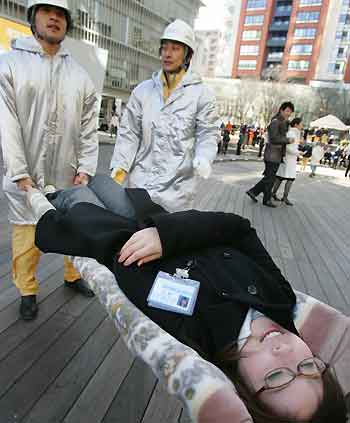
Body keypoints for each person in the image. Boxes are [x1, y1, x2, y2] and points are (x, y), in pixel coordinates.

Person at [26, 177, 347, 423]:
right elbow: (239, 229)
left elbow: (135, 276)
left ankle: (60, 190)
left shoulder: (198, 336)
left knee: (76, 196)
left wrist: (165, 242)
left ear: (245, 390)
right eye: (308, 365)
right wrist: (167, 236)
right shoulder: (280, 298)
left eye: (276, 377)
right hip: (157, 222)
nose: (284, 352)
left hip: (113, 234)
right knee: (101, 182)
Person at [0, 0, 98, 320]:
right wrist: (19, 172)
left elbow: (88, 126)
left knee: (74, 228)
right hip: (25, 176)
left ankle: (73, 275)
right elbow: (7, 122)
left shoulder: (80, 75)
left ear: (67, 23)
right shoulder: (9, 65)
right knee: (27, 237)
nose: (54, 18)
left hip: (67, 175)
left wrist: (86, 168)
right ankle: (27, 290)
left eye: (61, 14)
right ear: (33, 18)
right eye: (47, 11)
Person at [110, 19, 219, 212]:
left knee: (165, 241)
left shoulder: (202, 94)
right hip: (140, 187)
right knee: (134, 239)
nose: (167, 54)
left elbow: (208, 133)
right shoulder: (143, 91)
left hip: (177, 193)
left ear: (187, 55)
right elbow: (129, 133)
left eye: (175, 48)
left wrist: (204, 156)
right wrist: (120, 167)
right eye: (164, 48)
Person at [246, 102, 294, 208]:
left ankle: (255, 193)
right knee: (270, 178)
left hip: (276, 154)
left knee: (270, 178)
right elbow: (274, 138)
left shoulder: (283, 122)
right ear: (281, 110)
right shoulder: (276, 122)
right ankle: (262, 197)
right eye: (287, 111)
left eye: (290, 111)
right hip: (272, 154)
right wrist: (287, 140)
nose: (289, 113)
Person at [272, 117, 303, 206]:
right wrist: (298, 153)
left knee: (280, 177)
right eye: (301, 124)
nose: (302, 126)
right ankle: (284, 197)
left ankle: (274, 194)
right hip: (289, 159)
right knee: (289, 178)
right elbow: (288, 148)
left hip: (289, 159)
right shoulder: (292, 133)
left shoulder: (293, 133)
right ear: (296, 124)